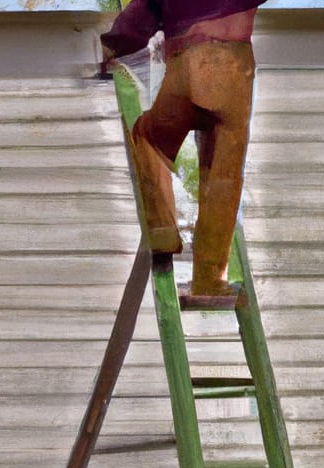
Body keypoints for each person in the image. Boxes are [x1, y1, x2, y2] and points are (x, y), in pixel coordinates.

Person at [101, 0, 266, 296]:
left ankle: (163, 228)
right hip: (237, 69)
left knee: (150, 138)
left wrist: (112, 48)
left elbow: (142, 14)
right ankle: (210, 281)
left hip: (193, 58)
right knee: (223, 180)